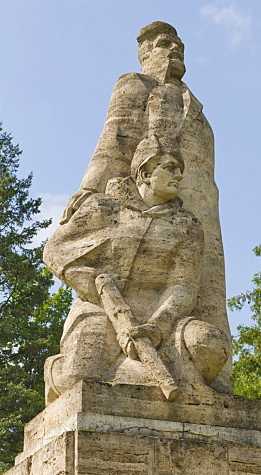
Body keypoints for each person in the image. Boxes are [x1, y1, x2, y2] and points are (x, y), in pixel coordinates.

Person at [59, 21, 232, 395]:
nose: (175, 49)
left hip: (199, 217)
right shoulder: (135, 86)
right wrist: (89, 189)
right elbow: (113, 142)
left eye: (179, 44)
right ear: (146, 52)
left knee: (209, 309)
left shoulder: (196, 106)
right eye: (164, 44)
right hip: (140, 206)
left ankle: (212, 383)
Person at [43, 138, 230, 401]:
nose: (178, 175)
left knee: (210, 345)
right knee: (80, 377)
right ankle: (56, 370)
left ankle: (133, 375)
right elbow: (55, 251)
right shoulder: (103, 208)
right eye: (169, 167)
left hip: (163, 319)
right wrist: (94, 282)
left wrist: (157, 326)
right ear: (144, 173)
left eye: (180, 169)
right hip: (102, 311)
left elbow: (183, 287)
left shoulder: (187, 225)